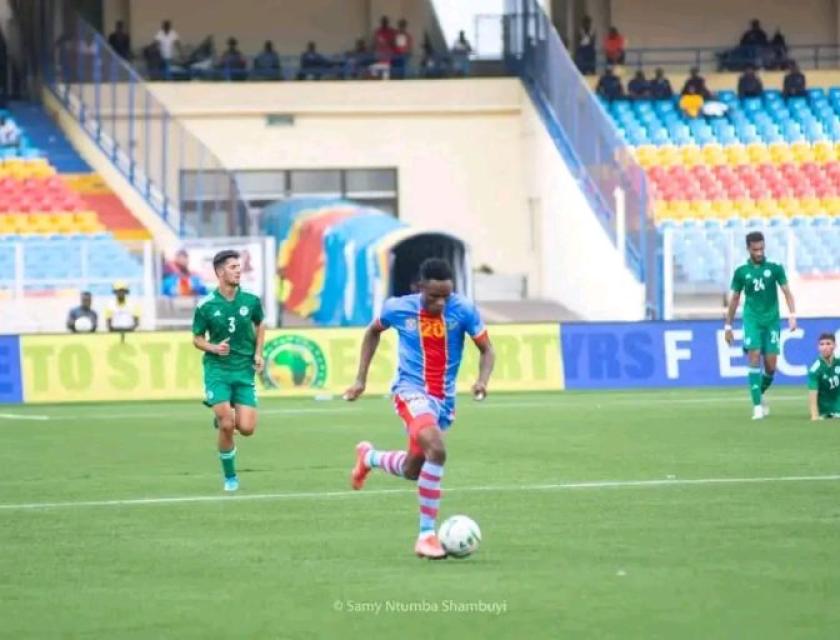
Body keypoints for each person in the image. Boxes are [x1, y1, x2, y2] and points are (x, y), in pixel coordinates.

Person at [344, 258, 495, 558]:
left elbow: (487, 349)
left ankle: (369, 457)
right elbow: (372, 332)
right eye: (433, 296)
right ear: (419, 287)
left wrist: (482, 380)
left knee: (414, 469)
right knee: (437, 450)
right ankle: (426, 535)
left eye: (446, 296)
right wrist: (360, 379)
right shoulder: (398, 308)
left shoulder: (463, 309)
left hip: (443, 400)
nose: (440, 302)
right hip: (409, 391)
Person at [192, 250, 266, 492]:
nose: (238, 270)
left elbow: (260, 324)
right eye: (233, 267)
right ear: (220, 272)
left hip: (243, 370)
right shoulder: (205, 306)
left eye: (239, 266)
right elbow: (197, 339)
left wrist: (258, 353)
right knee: (227, 424)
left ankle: (224, 415)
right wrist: (213, 347)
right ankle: (231, 477)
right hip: (218, 369)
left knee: (247, 429)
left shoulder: (252, 300)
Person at [725, 232, 797, 420]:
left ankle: (759, 393)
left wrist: (792, 315)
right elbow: (734, 299)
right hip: (752, 320)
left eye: (761, 249)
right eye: (755, 249)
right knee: (754, 355)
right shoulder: (741, 272)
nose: (759, 252)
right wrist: (728, 326)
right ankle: (757, 406)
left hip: (772, 321)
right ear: (748, 248)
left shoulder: (774, 267)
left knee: (771, 367)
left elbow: (787, 292)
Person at [808, 333, 840, 420]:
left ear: (835, 345)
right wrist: (814, 416)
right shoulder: (815, 370)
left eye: (828, 344)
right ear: (818, 347)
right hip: (825, 413)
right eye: (821, 344)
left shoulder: (838, 363)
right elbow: (813, 396)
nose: (825, 347)